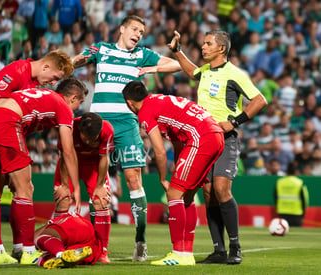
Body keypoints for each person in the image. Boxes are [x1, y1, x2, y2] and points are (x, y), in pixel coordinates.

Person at [72, 15, 181, 261]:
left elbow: (176, 64)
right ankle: (97, 246)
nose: (138, 34)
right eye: (134, 29)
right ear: (122, 29)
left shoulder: (142, 55)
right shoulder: (102, 48)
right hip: (98, 125)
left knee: (133, 180)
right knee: (95, 183)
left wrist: (154, 68)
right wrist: (66, 63)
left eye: (142, 32)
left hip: (127, 124)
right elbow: (76, 61)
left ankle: (140, 241)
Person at [166, 30, 267, 264]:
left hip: (225, 139)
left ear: (222, 49)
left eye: (208, 43)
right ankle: (219, 250)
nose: (203, 47)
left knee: (222, 190)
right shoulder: (206, 72)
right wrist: (178, 52)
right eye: (203, 43)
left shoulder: (235, 74)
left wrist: (234, 122)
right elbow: (192, 72)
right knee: (209, 194)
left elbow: (260, 100)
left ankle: (235, 247)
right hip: (203, 139)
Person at [0, 50, 74, 264]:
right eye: (55, 77)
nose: (53, 83)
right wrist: (0, 148)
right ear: (45, 67)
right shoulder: (16, 72)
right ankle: (22, 250)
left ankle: (2, 250)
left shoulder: (33, 82)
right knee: (19, 189)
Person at [122, 80, 224, 266]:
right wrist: (179, 167)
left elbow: (159, 151)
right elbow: (177, 141)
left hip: (201, 137)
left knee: (173, 193)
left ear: (129, 103)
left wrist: (162, 178)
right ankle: (186, 253)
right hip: (214, 135)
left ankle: (178, 253)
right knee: (186, 196)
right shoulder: (161, 100)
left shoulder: (145, 111)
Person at [52, 112, 114, 263]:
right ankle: (57, 246)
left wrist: (100, 186)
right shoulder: (68, 128)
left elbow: (104, 158)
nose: (87, 141)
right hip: (71, 162)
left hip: (93, 166)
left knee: (101, 200)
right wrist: (65, 185)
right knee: (63, 198)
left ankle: (102, 251)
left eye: (91, 139)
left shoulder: (107, 130)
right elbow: (65, 156)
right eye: (84, 137)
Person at [34, 212, 102, 269]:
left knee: (40, 238)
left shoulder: (55, 223)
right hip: (92, 248)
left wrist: (34, 245)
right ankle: (62, 256)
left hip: (78, 226)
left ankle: (61, 255)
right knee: (46, 259)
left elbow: (35, 237)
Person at [274, 162, 309, 227]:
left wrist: (278, 209)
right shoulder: (300, 183)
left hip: (282, 213)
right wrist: (303, 212)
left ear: (287, 171)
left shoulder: (279, 182)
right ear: (296, 171)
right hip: (296, 213)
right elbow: (305, 199)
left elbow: (275, 197)